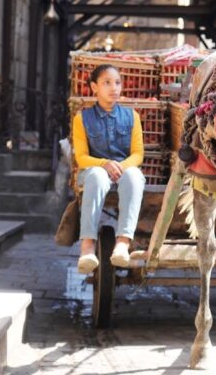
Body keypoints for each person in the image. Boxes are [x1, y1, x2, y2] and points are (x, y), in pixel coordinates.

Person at [72, 64, 146, 274]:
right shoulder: (82, 118)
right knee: (96, 176)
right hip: (94, 171)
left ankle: (122, 243)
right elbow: (81, 157)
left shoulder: (132, 117)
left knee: (134, 176)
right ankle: (87, 246)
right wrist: (104, 164)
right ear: (94, 87)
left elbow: (138, 154)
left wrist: (120, 167)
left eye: (117, 82)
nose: (114, 87)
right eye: (106, 83)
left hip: (123, 170)